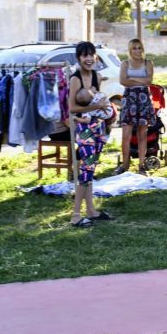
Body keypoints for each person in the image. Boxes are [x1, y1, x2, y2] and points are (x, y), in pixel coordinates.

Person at [68, 41, 113, 227]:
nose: (88, 59)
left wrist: (102, 109)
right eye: (84, 55)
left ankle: (91, 210)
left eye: (91, 55)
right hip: (84, 129)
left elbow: (101, 102)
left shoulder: (97, 76)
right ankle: (76, 215)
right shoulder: (75, 79)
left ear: (95, 56)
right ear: (78, 58)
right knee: (85, 171)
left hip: (98, 127)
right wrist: (96, 106)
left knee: (91, 169)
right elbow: (72, 107)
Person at [116, 39, 156, 175]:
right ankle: (125, 165)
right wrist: (141, 80)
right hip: (129, 99)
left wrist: (131, 79)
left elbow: (149, 81)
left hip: (144, 100)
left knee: (142, 134)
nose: (137, 51)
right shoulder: (125, 64)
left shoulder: (148, 63)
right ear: (130, 50)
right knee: (126, 135)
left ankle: (141, 165)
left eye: (139, 48)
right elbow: (122, 81)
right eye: (134, 48)